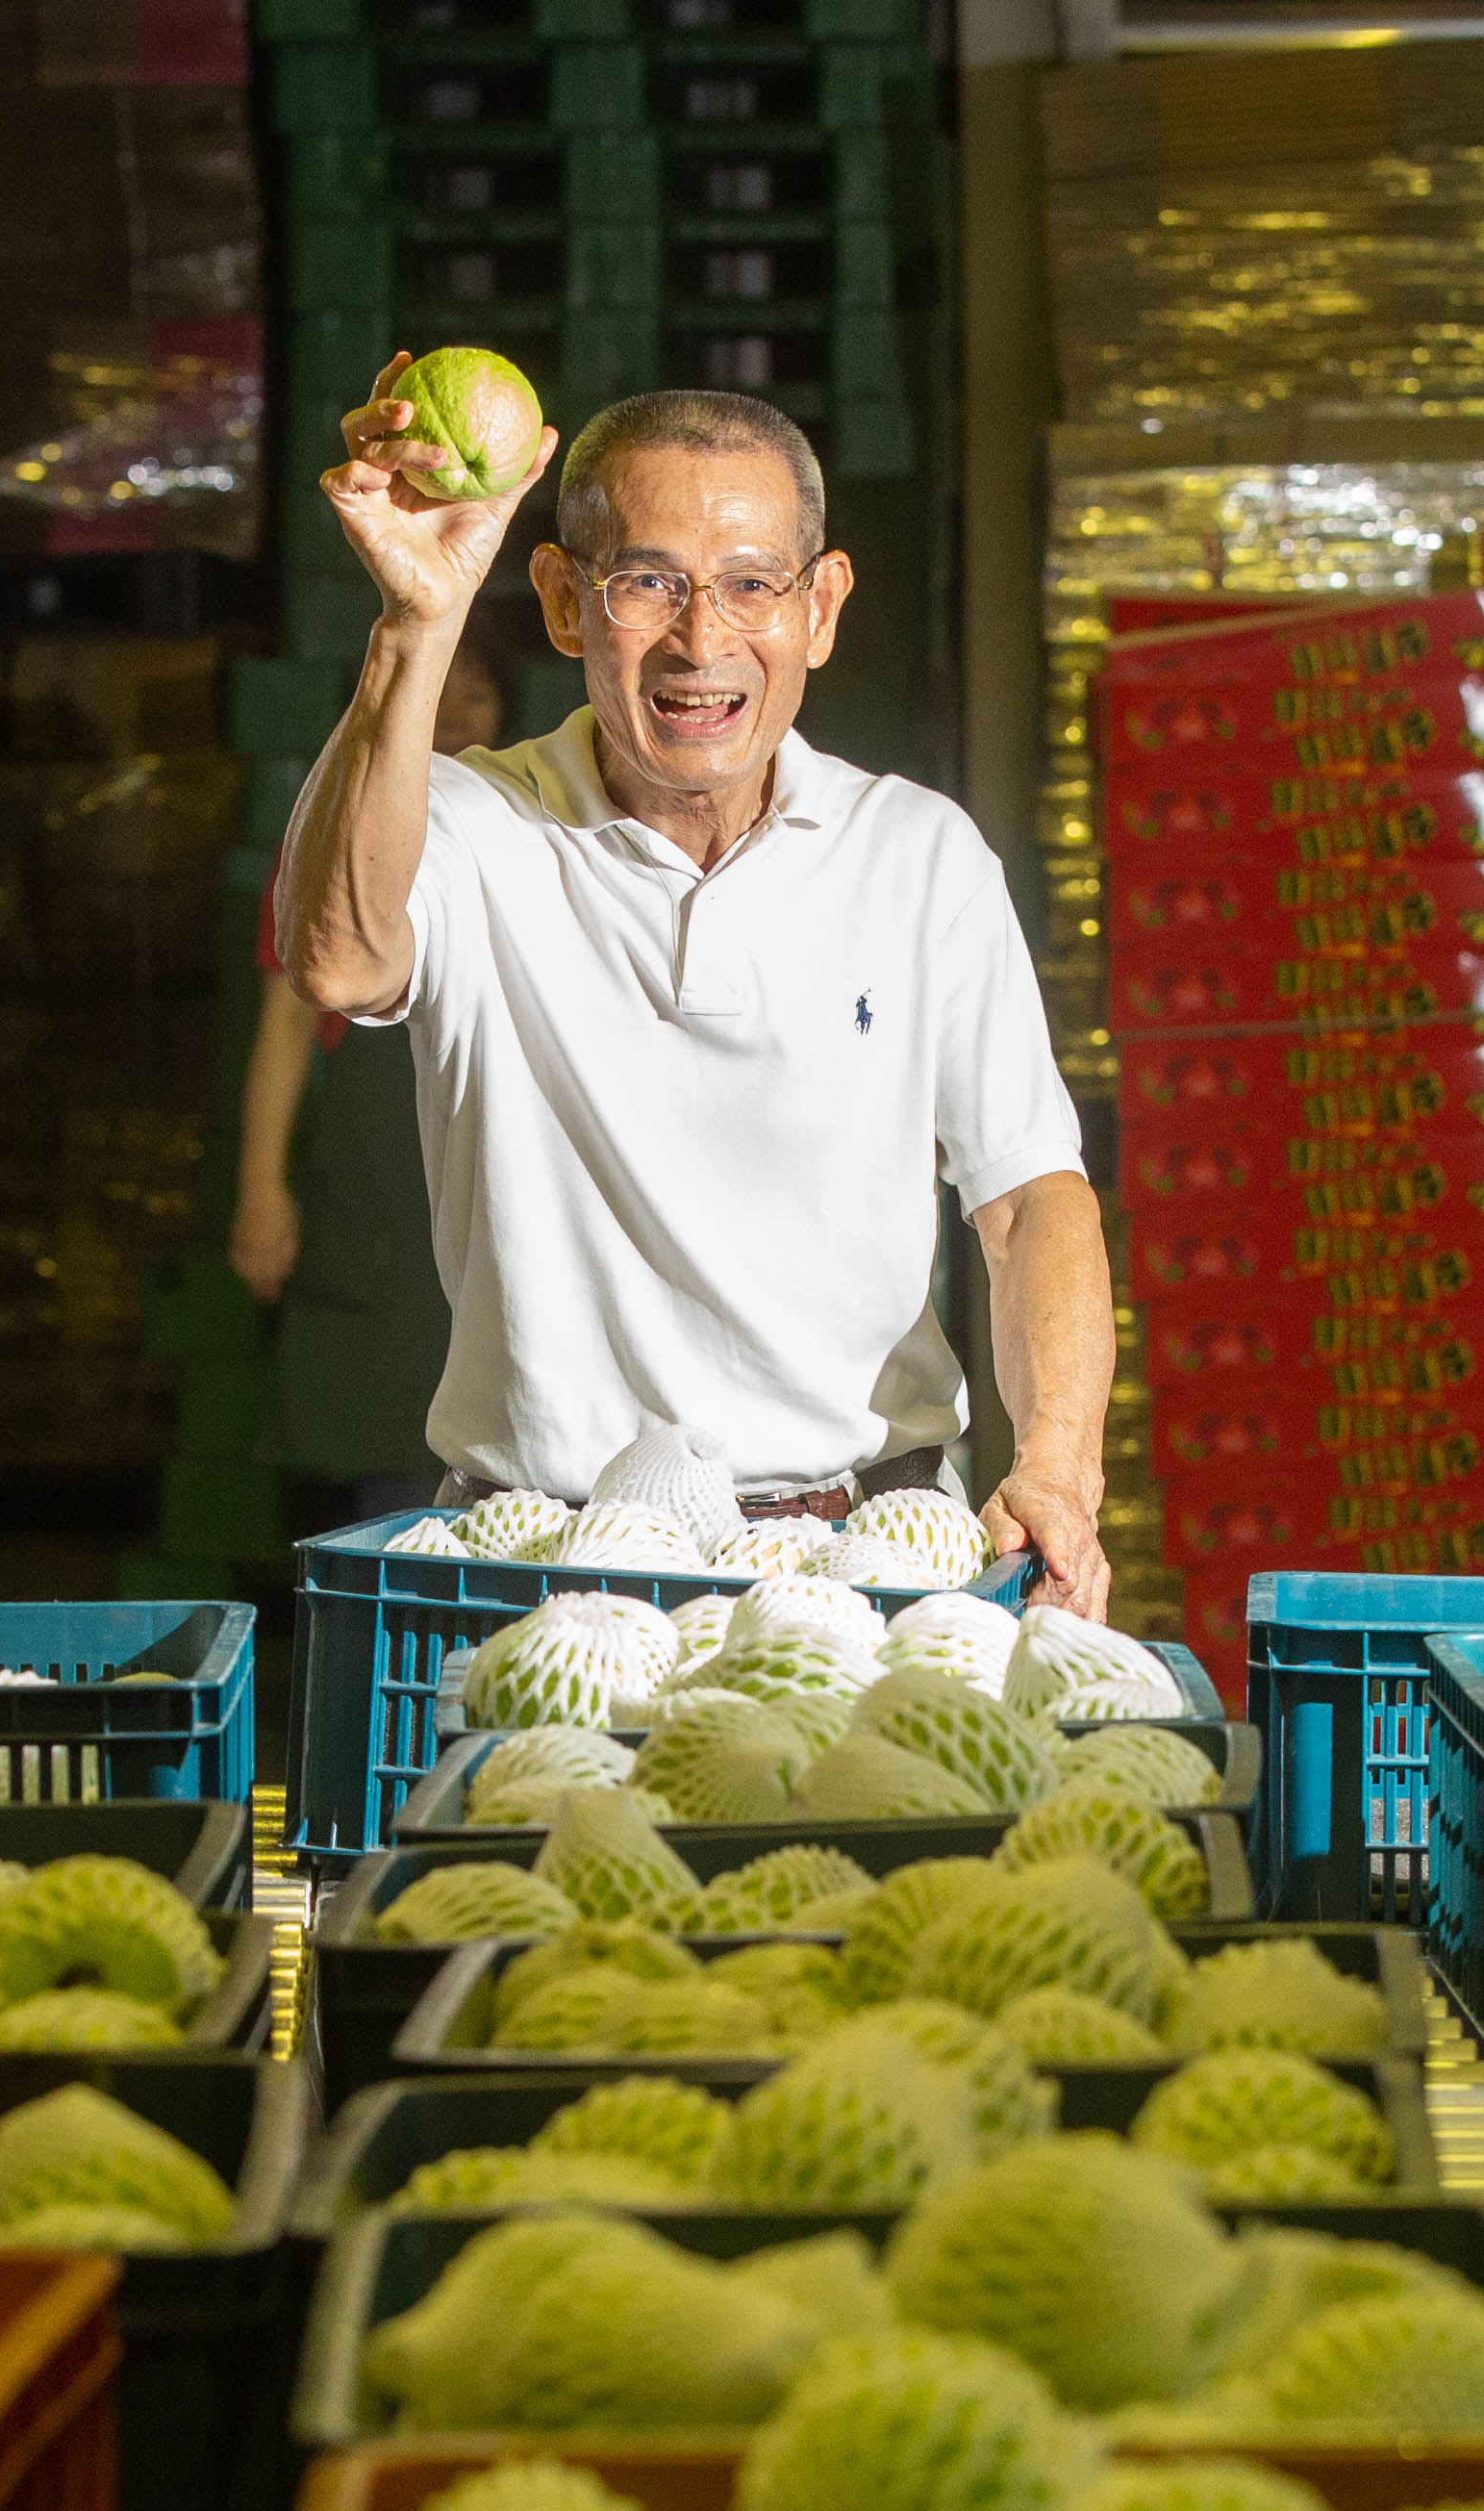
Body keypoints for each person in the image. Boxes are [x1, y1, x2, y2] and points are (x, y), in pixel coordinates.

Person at [281, 366, 1117, 1610]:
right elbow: (339, 956)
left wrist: (1054, 1460)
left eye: (750, 584)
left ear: (820, 607)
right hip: (547, 1564)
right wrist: (415, 622)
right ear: (563, 602)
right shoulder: (464, 821)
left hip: (873, 1551)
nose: (700, 640)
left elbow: (1028, 1199)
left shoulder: (917, 855)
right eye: (647, 583)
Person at [230, 599, 526, 1534]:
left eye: (477, 696)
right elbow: (285, 1022)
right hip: (370, 1198)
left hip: (500, 1181)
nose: (456, 716)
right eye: (441, 692)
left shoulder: (530, 831)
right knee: (381, 1466)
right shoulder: (336, 831)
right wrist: (259, 1190)